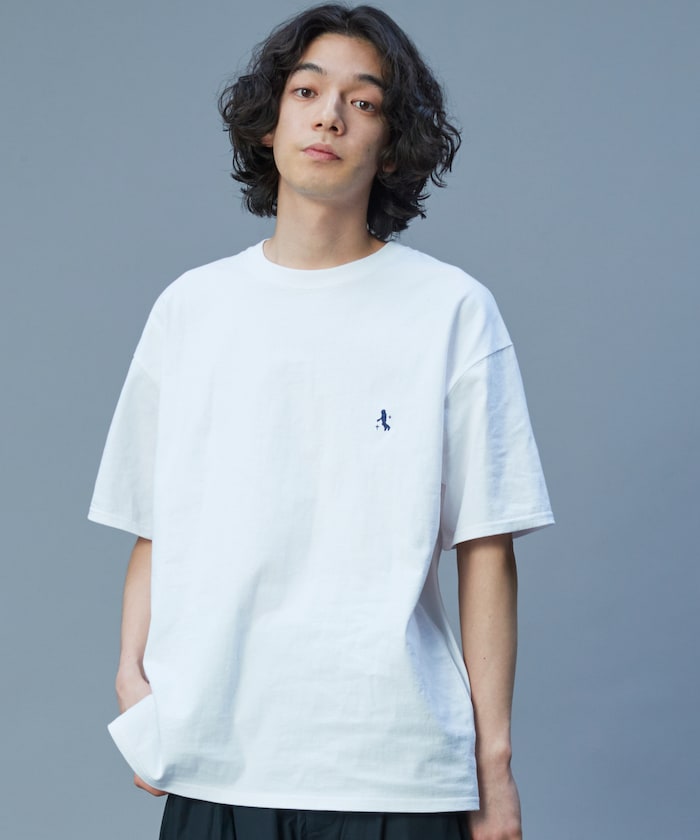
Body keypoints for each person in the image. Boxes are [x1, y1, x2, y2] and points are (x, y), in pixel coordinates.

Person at [87, 4, 554, 839]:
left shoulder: (451, 310)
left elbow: (486, 545)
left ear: (391, 144)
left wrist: (493, 765)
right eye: (306, 91)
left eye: (362, 101)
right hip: (218, 756)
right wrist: (132, 679)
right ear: (269, 124)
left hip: (397, 767)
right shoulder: (192, 309)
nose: (330, 115)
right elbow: (155, 521)